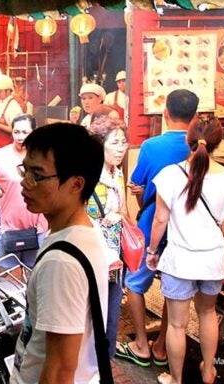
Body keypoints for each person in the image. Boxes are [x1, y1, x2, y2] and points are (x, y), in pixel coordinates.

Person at [10, 122, 108, 384]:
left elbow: (61, 370)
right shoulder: (82, 232)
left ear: (76, 184)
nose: (25, 183)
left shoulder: (61, 263)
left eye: (37, 175)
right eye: (25, 171)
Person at [145, 116, 224, 384]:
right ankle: (208, 370)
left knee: (177, 324)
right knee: (208, 313)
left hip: (180, 261)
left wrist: (152, 251)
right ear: (218, 143)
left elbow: (160, 220)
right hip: (213, 261)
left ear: (189, 140)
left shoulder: (169, 175)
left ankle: (176, 380)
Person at [116, 89, 199, 369]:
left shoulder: (151, 147)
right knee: (173, 289)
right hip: (186, 226)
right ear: (195, 116)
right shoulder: (199, 147)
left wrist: (140, 196)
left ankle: (141, 344)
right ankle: (163, 346)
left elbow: (139, 186)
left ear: (165, 113)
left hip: (153, 222)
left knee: (134, 283)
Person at [0, 114, 47, 268]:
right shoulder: (1, 156)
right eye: (16, 132)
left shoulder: (43, 156)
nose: (20, 137)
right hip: (5, 227)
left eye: (25, 132)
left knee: (37, 271)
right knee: (3, 273)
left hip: (38, 226)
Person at [86, 115, 129, 359]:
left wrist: (119, 215)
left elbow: (123, 209)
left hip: (113, 253)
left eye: (123, 142)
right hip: (92, 251)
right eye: (115, 142)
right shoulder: (87, 175)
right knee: (90, 305)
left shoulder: (117, 173)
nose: (121, 148)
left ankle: (104, 358)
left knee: (111, 302)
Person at [0, 74, 24, 153]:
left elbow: (16, 130)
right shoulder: (1, 102)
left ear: (8, 90)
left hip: (6, 148)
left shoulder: (13, 106)